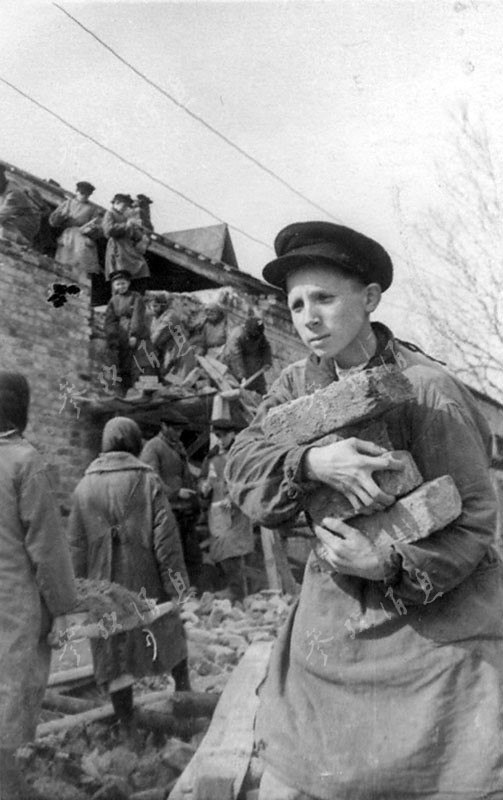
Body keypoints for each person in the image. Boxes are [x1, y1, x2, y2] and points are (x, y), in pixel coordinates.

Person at [225, 221, 503, 800]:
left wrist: (387, 564)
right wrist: (311, 463)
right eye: (296, 303)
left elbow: (475, 515)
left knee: (442, 766)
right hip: (335, 611)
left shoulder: (429, 388)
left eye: (324, 297)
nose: (308, 316)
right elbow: (242, 467)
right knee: (301, 757)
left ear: (370, 299)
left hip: (431, 620)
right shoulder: (294, 387)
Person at [67, 417, 191, 738]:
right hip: (145, 578)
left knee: (113, 650)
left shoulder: (83, 487)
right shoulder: (148, 482)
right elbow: (166, 540)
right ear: (135, 443)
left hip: (102, 587)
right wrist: (177, 588)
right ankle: (186, 701)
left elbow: (76, 547)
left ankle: (128, 725)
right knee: (169, 632)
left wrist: (75, 594)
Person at [0, 372, 77, 800]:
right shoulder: (26, 461)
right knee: (9, 689)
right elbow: (47, 547)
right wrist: (64, 607)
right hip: (12, 601)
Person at [140, 420, 202, 591]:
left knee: (192, 558)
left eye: (181, 429)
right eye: (175, 429)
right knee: (172, 559)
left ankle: (193, 599)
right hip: (167, 513)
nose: (179, 433)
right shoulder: (153, 447)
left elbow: (187, 472)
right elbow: (151, 480)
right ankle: (177, 599)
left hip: (185, 513)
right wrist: (175, 492)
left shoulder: (177, 447)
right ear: (164, 426)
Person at [199, 418, 254, 603]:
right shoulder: (212, 457)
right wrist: (204, 486)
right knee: (220, 550)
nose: (220, 440)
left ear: (233, 434)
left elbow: (248, 480)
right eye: (217, 436)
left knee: (233, 550)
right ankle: (232, 592)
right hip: (217, 510)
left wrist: (234, 497)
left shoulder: (240, 455)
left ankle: (238, 591)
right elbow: (203, 478)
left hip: (236, 510)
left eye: (223, 436)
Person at [104, 270, 154, 395]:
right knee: (125, 363)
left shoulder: (136, 297)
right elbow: (110, 320)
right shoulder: (113, 301)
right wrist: (112, 338)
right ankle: (128, 392)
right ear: (114, 286)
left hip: (138, 335)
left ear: (128, 283)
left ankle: (147, 391)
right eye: (118, 284)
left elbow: (137, 317)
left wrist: (134, 335)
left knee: (141, 361)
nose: (121, 287)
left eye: (123, 283)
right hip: (122, 335)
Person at [49, 181, 102, 275]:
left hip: (82, 235)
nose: (84, 196)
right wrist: (61, 217)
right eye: (82, 193)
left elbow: (97, 227)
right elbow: (53, 221)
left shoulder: (92, 209)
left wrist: (92, 229)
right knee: (65, 258)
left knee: (82, 256)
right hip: (68, 234)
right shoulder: (68, 203)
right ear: (77, 192)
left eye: (87, 194)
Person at [103, 193, 150, 291]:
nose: (125, 209)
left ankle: (134, 296)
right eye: (124, 206)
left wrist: (142, 236)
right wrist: (126, 225)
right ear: (116, 203)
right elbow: (108, 231)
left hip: (128, 247)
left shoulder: (124, 217)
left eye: (126, 207)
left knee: (142, 266)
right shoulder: (110, 214)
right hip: (117, 247)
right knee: (121, 273)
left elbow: (133, 233)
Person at [222, 316, 272, 394]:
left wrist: (267, 361)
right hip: (233, 365)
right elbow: (236, 357)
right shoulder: (237, 335)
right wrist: (242, 376)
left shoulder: (258, 334)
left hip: (253, 365)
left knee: (261, 390)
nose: (257, 335)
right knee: (235, 390)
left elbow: (266, 347)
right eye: (255, 333)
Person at [0, 165, 40, 246]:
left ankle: (24, 245)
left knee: (3, 230)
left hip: (27, 222)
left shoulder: (13, 193)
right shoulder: (7, 185)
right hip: (17, 219)